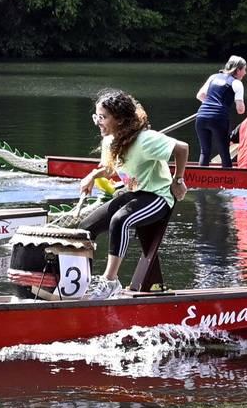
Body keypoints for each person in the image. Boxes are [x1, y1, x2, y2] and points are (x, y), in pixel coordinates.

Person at [77, 89, 190, 290]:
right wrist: (92, 176)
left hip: (158, 196)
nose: (98, 122)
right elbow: (110, 167)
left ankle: (110, 281)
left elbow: (182, 148)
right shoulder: (109, 140)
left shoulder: (145, 139)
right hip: (135, 195)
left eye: (103, 117)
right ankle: (80, 284)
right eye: (96, 116)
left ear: (119, 120)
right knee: (85, 229)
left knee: (120, 220)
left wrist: (178, 180)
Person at [193, 56, 247, 168]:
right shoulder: (236, 83)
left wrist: (211, 103)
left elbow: (200, 96)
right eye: (244, 70)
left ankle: (200, 181)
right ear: (237, 70)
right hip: (219, 118)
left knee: (204, 151)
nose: (245, 73)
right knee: (224, 152)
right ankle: (228, 183)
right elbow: (240, 110)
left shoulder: (213, 77)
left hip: (202, 116)